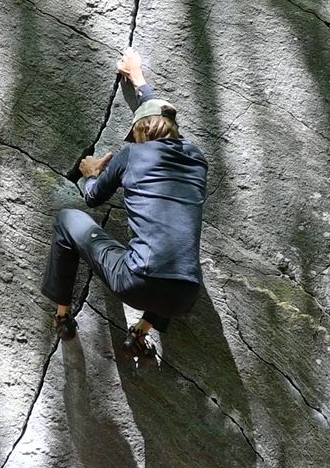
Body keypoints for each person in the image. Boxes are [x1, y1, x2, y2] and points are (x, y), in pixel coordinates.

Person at [43, 47, 208, 363]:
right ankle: (141, 332)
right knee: (173, 254)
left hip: (135, 281)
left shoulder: (132, 155)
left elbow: (93, 198)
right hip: (186, 296)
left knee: (67, 220)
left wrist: (90, 173)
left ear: (137, 133)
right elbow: (159, 123)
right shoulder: (197, 161)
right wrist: (139, 79)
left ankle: (63, 317)